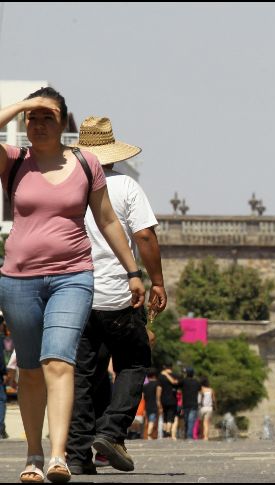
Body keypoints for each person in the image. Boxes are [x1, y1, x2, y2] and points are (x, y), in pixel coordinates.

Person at [0, 88, 145, 483]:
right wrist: (23, 105)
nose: (39, 123)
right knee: (30, 370)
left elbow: (108, 220)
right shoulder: (13, 160)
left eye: (49, 116)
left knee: (59, 361)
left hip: (73, 275)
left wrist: (134, 272)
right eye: (33, 117)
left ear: (63, 123)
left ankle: (59, 456)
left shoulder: (85, 162)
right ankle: (33, 454)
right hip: (18, 280)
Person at [65, 116, 167, 475]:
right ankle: (111, 431)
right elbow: (144, 237)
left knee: (81, 373)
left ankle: (76, 454)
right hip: (117, 294)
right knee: (134, 360)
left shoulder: (65, 184)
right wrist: (156, 280)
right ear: (110, 152)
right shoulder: (125, 187)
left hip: (73, 293)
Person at [158, 363, 179, 439]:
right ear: (171, 367)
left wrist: (158, 400)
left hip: (163, 399)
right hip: (172, 399)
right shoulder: (175, 376)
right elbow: (176, 383)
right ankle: (167, 433)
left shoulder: (161, 376)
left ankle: (165, 433)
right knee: (170, 416)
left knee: (165, 416)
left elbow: (159, 389)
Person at [181, 368, 201, 440]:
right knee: (191, 420)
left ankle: (188, 435)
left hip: (185, 403)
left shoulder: (184, 381)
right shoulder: (196, 382)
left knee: (186, 420)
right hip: (194, 404)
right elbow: (199, 389)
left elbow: (178, 384)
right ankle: (189, 436)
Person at [142, 370, 160, 440]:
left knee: (147, 420)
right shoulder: (157, 384)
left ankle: (147, 434)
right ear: (154, 376)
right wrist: (159, 405)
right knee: (152, 420)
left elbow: (143, 397)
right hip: (154, 405)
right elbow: (158, 396)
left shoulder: (145, 385)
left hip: (146, 405)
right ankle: (149, 434)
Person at [198, 376, 216, 441]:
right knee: (206, 423)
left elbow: (199, 399)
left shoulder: (200, 389)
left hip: (202, 408)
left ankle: (201, 435)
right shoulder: (211, 390)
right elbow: (214, 400)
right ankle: (206, 437)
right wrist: (215, 407)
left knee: (200, 423)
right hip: (209, 408)